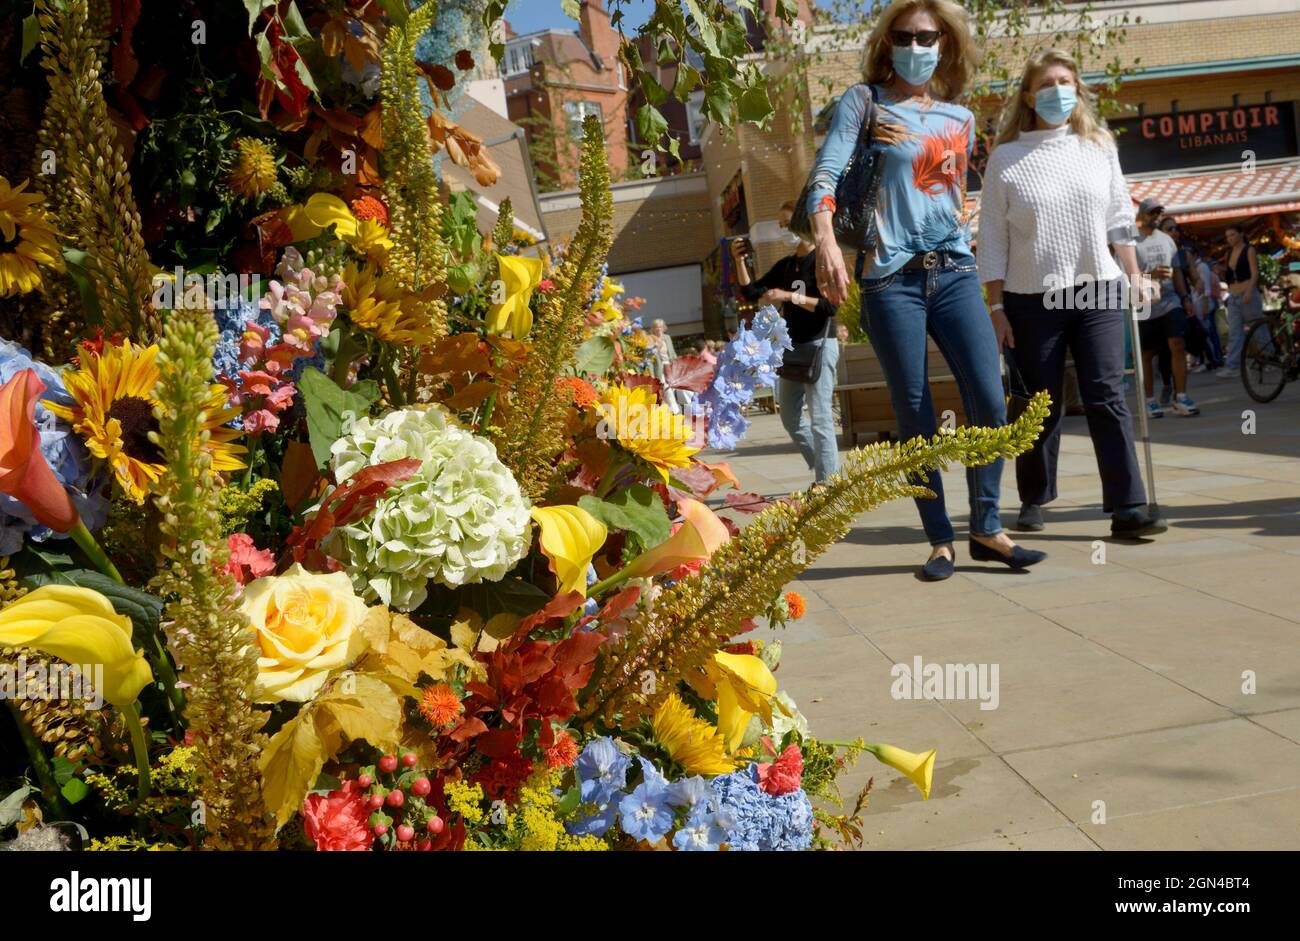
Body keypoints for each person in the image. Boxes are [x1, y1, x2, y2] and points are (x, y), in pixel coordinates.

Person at [807, 0, 1045, 579]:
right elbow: (827, 172)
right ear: (887, 43)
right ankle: (940, 539)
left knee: (989, 398)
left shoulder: (959, 120)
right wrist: (827, 241)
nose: (917, 45)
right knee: (914, 409)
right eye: (905, 36)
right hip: (891, 277)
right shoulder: (863, 102)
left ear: (945, 42)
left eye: (928, 36)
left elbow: (950, 197)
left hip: (955, 269)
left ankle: (987, 526)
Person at [978, 49, 1165, 539]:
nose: (1058, 90)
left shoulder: (1098, 145)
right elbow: (993, 238)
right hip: (1031, 296)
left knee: (1106, 394)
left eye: (1065, 81)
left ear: (1077, 89)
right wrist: (996, 307)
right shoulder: (1007, 157)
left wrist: (1135, 275)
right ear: (1028, 94)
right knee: (1039, 403)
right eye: (1046, 82)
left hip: (1097, 288)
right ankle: (1035, 496)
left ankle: (1129, 504)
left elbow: (1119, 219)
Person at [730, 200, 841, 482]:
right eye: (780, 224)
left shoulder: (823, 261)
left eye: (786, 223)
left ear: (804, 225)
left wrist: (790, 297)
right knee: (791, 418)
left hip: (819, 345)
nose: (782, 229)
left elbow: (830, 307)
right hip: (792, 351)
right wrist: (739, 261)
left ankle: (827, 484)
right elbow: (750, 292)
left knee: (821, 419)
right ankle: (828, 471)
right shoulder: (787, 265)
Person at [1134, 198, 1199, 417]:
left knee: (1177, 343)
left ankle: (1181, 397)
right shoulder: (1131, 241)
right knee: (1147, 355)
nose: (1157, 217)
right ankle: (1149, 400)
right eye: (1152, 213)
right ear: (1141, 215)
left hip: (1170, 299)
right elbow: (1124, 277)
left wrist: (1185, 297)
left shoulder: (1167, 240)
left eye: (1159, 213)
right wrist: (1149, 276)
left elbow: (1177, 271)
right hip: (1144, 302)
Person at [1217, 223, 1264, 377]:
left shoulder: (1249, 250)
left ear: (1241, 234)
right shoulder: (1229, 252)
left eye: (1232, 235)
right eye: (1228, 236)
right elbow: (1229, 276)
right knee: (1235, 332)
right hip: (1234, 295)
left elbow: (1254, 273)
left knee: (1257, 328)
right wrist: (1221, 272)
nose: (1230, 238)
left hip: (1247, 292)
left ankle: (1269, 357)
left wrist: (1249, 292)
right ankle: (1233, 366)